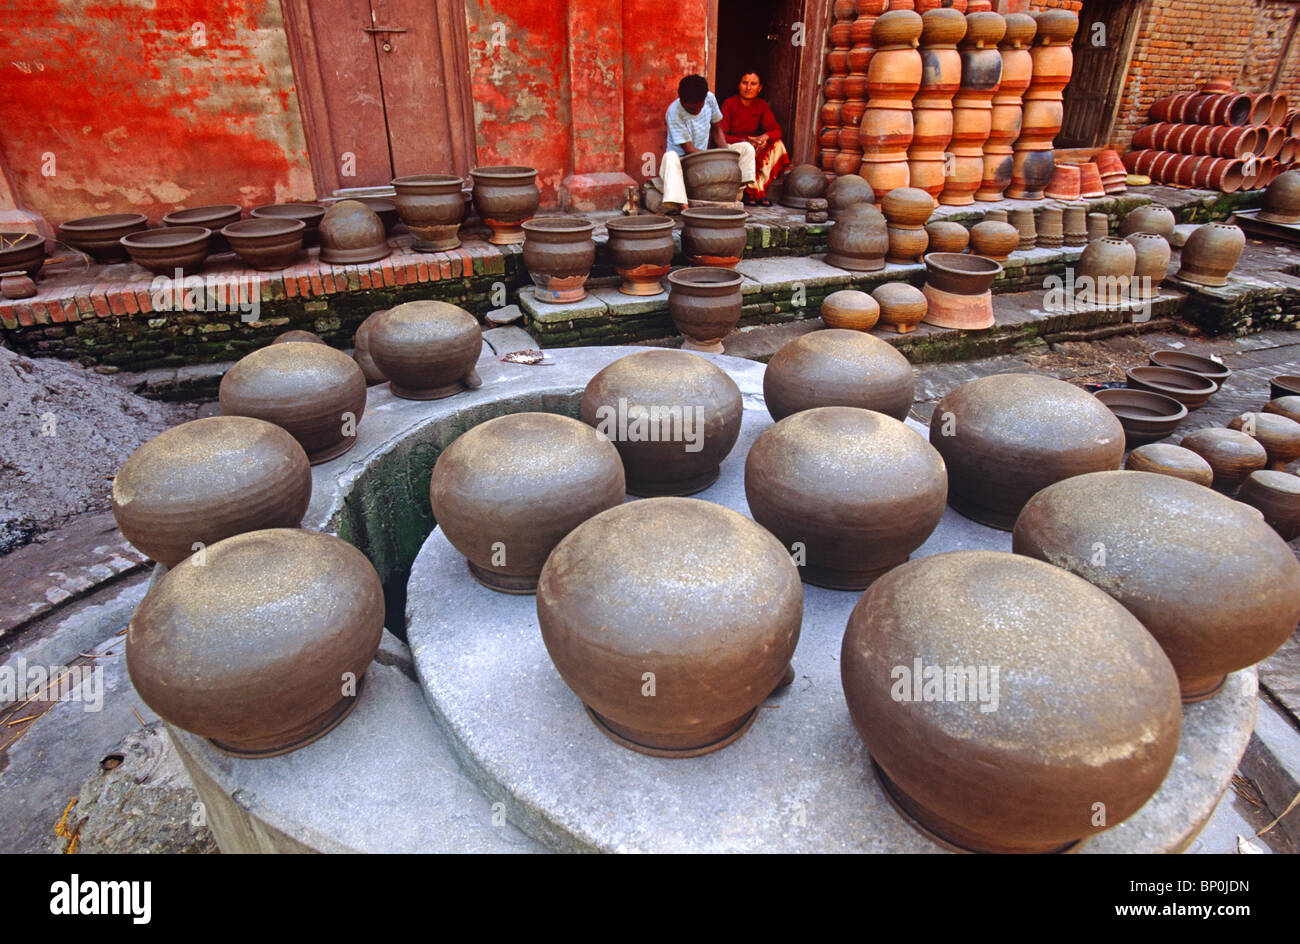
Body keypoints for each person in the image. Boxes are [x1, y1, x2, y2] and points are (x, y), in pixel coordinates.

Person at [660, 74, 756, 212]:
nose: (698, 111)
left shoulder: (709, 98)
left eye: (700, 107)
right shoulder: (674, 112)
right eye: (692, 109)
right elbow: (688, 148)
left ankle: (734, 195)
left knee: (746, 148)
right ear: (681, 99)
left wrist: (727, 156)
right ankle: (685, 208)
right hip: (686, 162)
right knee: (669, 157)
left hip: (706, 158)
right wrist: (715, 159)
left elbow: (717, 129)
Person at [720, 71, 790, 207]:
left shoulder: (761, 105)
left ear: (760, 88)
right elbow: (721, 134)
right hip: (736, 145)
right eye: (744, 83)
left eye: (753, 84)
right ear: (738, 85)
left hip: (754, 145)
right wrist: (745, 141)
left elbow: (776, 130)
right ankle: (749, 192)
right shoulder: (730, 104)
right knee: (748, 149)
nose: (748, 88)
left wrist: (764, 137)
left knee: (777, 144)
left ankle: (759, 190)